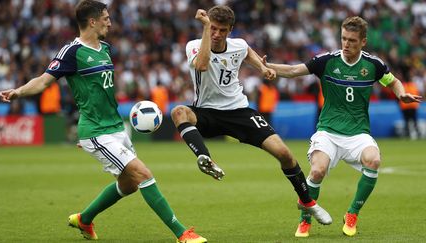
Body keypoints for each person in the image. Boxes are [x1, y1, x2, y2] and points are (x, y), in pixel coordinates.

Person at [0, 1, 206, 242]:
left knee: (129, 185)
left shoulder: (105, 48)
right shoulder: (72, 52)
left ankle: (84, 220)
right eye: (106, 17)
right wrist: (18, 91)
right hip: (96, 131)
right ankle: (182, 233)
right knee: (143, 174)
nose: (110, 21)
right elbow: (44, 81)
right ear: (92, 21)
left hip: (115, 128)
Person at [170, 5, 332, 227]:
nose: (216, 34)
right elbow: (202, 65)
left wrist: (264, 69)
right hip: (205, 111)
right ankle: (205, 158)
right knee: (179, 112)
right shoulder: (194, 46)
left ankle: (307, 202)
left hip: (239, 112)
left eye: (222, 30)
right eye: (213, 29)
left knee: (284, 154)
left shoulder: (239, 45)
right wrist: (206, 27)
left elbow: (250, 56)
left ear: (231, 30)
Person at [263, 16, 423, 237]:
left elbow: (392, 81)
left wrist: (401, 93)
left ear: (363, 42)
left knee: (374, 160)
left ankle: (352, 213)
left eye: (352, 40)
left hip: (358, 133)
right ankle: (305, 219)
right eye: (343, 39)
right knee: (317, 171)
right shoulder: (327, 61)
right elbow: (293, 71)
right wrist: (266, 66)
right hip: (328, 131)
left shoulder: (372, 65)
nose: (346, 44)